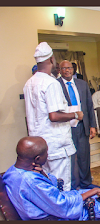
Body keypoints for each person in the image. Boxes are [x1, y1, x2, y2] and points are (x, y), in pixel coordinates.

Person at [3, 136, 100, 221]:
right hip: (57, 215)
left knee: (89, 192)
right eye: (46, 153)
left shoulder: (12, 172)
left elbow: (50, 189)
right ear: (37, 159)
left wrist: (44, 175)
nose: (48, 155)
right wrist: (94, 191)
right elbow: (62, 206)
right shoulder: (30, 181)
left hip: (53, 206)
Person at [23, 42, 83, 191]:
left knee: (47, 185)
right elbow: (54, 115)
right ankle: (65, 214)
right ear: (51, 59)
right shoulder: (51, 83)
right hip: (56, 145)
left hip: (39, 145)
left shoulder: (29, 83)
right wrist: (76, 114)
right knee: (61, 185)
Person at [57, 60, 98, 190]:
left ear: (73, 70)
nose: (67, 70)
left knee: (84, 156)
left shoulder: (82, 84)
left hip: (82, 125)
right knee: (70, 159)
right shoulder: (56, 85)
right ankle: (73, 186)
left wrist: (92, 125)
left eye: (69, 68)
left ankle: (85, 183)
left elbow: (89, 106)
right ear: (60, 70)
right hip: (66, 127)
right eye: (64, 68)